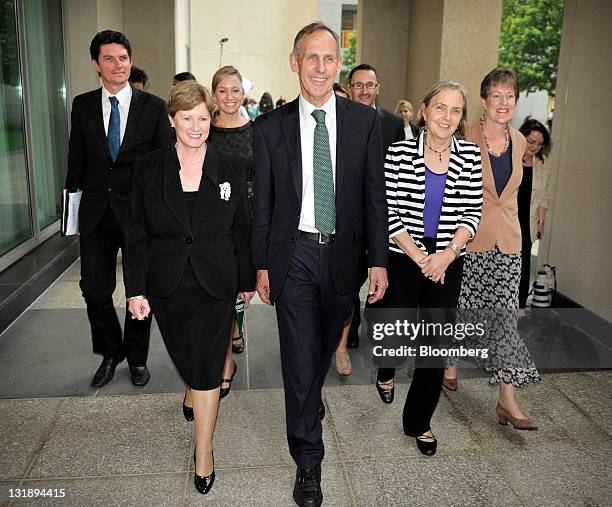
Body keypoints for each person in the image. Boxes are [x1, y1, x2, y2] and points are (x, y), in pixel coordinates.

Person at [251, 22, 388, 507]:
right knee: (299, 360)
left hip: (345, 256)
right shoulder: (270, 128)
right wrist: (262, 265)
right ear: (295, 62)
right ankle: (308, 461)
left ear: (339, 65)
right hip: (294, 257)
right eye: (311, 57)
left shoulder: (364, 121)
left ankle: (311, 393)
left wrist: (379, 261)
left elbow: (376, 194)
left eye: (330, 58)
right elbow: (262, 207)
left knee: (325, 347)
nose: (321, 67)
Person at [124, 80, 255, 494]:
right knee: (187, 353)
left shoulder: (230, 167)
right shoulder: (148, 169)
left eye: (203, 117)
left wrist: (247, 281)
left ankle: (203, 450)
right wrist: (136, 289)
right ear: (172, 121)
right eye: (187, 118)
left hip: (217, 280)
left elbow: (242, 229)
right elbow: (136, 234)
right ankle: (191, 388)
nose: (196, 126)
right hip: (168, 282)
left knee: (206, 367)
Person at [374, 81, 482, 456]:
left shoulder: (469, 156)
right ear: (424, 110)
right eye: (440, 108)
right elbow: (389, 211)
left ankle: (419, 421)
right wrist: (421, 258)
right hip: (404, 255)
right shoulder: (400, 152)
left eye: (455, 111)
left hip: (448, 259)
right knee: (397, 334)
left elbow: (472, 213)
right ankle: (385, 369)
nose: (447, 117)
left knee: (435, 343)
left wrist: (447, 255)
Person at [64, 30, 170, 389]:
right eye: (109, 58)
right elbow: (75, 162)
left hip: (140, 216)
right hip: (95, 213)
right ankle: (112, 351)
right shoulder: (82, 105)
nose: (117, 64)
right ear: (96, 64)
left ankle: (137, 359)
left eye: (123, 58)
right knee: (94, 289)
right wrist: (72, 214)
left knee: (140, 289)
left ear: (130, 61)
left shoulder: (153, 108)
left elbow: (164, 166)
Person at [445, 68, 540, 429]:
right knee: (462, 310)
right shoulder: (464, 138)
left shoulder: (519, 141)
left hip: (509, 243)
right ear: (484, 102)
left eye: (510, 96)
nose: (504, 103)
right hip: (468, 240)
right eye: (496, 96)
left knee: (503, 318)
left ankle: (507, 399)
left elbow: (510, 196)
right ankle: (449, 363)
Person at [343, 64, 404, 353]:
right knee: (350, 273)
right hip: (349, 213)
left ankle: (377, 324)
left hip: (383, 213)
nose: (364, 90)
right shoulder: (337, 120)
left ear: (378, 88)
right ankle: (350, 327)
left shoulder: (393, 124)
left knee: (382, 270)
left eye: (369, 84)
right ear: (350, 88)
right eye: (358, 85)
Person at [208, 65, 255, 399]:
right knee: (221, 293)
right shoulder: (203, 131)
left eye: (235, 89)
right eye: (222, 90)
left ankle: (236, 332)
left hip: (249, 222)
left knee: (242, 288)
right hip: (214, 225)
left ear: (244, 93)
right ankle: (224, 361)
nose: (229, 96)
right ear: (214, 95)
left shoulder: (258, 131)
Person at [517, 117, 551, 310]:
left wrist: (541, 222)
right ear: (522, 137)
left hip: (527, 221)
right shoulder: (510, 155)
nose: (535, 147)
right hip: (507, 219)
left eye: (539, 144)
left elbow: (544, 196)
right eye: (531, 142)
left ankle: (519, 307)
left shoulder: (542, 163)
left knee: (523, 266)